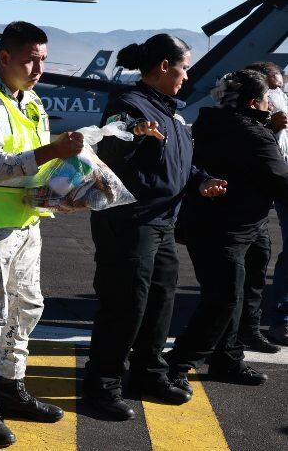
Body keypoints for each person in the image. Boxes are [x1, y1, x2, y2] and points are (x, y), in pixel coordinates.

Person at [0, 21, 82, 448]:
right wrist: (53, 150)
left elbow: (36, 166)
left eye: (43, 60)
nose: (39, 69)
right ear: (4, 57)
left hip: (27, 220)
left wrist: (67, 186)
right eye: (30, 60)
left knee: (26, 308)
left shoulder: (31, 101)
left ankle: (11, 385)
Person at [83, 34, 228, 420]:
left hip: (161, 222)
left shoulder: (172, 112)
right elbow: (108, 152)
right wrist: (134, 134)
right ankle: (102, 385)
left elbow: (180, 163)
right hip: (129, 222)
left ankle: (148, 373)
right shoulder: (128, 105)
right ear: (164, 66)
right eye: (183, 67)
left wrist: (201, 180)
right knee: (125, 305)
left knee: (160, 302)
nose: (186, 76)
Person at [166, 69, 287, 389]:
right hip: (227, 228)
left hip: (233, 224)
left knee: (237, 292)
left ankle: (228, 358)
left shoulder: (212, 123)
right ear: (253, 103)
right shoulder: (252, 133)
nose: (271, 103)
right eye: (267, 98)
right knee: (224, 298)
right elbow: (279, 179)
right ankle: (179, 362)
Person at [244, 61, 288, 349]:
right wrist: (269, 126)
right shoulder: (242, 113)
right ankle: (280, 319)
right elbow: (244, 141)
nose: (277, 95)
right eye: (272, 89)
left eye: (280, 89)